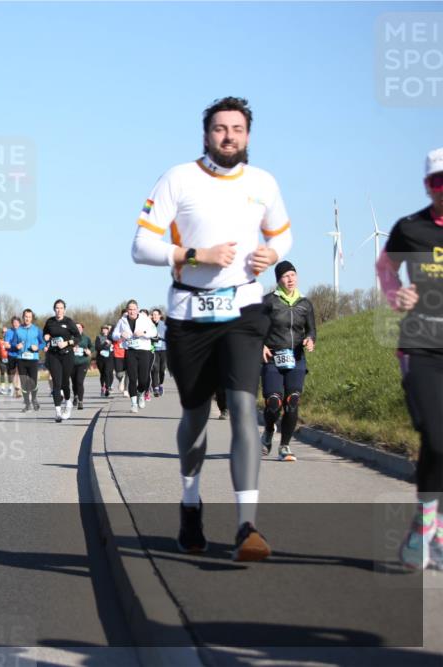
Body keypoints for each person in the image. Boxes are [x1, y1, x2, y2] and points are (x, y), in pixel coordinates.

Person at [131, 96, 291, 561]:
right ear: (207, 135)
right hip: (189, 314)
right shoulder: (178, 179)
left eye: (237, 129)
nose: (228, 137)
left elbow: (282, 233)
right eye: (220, 129)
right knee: (196, 416)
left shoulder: (264, 183)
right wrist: (195, 255)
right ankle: (189, 502)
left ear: (247, 135)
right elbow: (141, 245)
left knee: (243, 407)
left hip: (244, 307)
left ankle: (247, 526)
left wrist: (273, 253)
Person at [377, 147, 443, 571]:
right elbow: (384, 267)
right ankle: (424, 530)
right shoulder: (411, 228)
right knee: (436, 438)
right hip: (421, 345)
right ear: (427, 185)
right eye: (439, 182)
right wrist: (394, 294)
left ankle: (432, 533)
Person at [260, 260, 316, 462]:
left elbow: (311, 330)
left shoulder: (305, 303)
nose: (290, 279)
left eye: (293, 274)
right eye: (285, 276)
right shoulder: (268, 302)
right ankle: (267, 431)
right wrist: (261, 345)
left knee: (292, 401)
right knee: (274, 402)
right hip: (273, 358)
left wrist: (310, 340)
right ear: (278, 280)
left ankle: (284, 446)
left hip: (296, 358)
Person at [112, 300, 156, 413]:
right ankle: (133, 403)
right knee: (132, 378)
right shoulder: (122, 321)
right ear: (127, 310)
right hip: (130, 351)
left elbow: (154, 332)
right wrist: (121, 334)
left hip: (144, 351)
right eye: (129, 309)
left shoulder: (144, 319)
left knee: (144, 379)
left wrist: (144, 333)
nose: (132, 311)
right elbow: (114, 335)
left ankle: (141, 393)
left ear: (137, 309)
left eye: (134, 309)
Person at [43, 300, 81, 422]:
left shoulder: (69, 322)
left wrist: (67, 342)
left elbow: (78, 337)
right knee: (56, 383)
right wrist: (46, 337)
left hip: (67, 355)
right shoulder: (50, 321)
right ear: (54, 309)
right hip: (54, 355)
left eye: (61, 308)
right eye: (57, 308)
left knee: (65, 383)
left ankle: (68, 403)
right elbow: (45, 334)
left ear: (64, 309)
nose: (59, 310)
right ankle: (58, 412)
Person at [13, 308, 45, 412]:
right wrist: (16, 346)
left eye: (29, 317)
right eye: (26, 317)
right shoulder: (18, 330)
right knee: (23, 383)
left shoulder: (37, 330)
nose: (27, 319)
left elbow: (43, 343)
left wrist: (38, 347)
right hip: (21, 359)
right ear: (23, 317)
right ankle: (27, 404)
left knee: (33, 382)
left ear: (32, 318)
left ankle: (34, 399)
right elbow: (13, 343)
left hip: (33, 359)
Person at [71, 322, 93, 410]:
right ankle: (75, 396)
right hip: (72, 363)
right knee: (74, 382)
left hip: (83, 362)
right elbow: (65, 347)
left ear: (82, 328)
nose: (78, 328)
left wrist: (89, 351)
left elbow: (92, 347)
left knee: (79, 381)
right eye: (76, 327)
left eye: (79, 327)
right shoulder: (70, 338)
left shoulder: (86, 338)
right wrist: (71, 349)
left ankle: (80, 401)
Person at [3, 316, 23, 398]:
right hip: (11, 354)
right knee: (13, 373)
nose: (15, 324)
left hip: (21, 354)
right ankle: (16, 389)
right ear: (12, 323)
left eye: (17, 322)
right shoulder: (9, 332)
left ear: (19, 323)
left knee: (20, 371)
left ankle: (19, 389)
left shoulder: (23, 331)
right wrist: (14, 346)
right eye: (14, 322)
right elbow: (6, 345)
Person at [150, 309, 168, 397]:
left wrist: (161, 337)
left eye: (156, 314)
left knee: (162, 369)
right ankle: (155, 388)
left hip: (164, 349)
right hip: (154, 349)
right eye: (153, 315)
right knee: (155, 368)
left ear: (160, 316)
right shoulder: (149, 325)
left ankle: (160, 384)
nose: (154, 316)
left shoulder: (164, 325)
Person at [94, 324, 114, 398]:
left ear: (108, 330)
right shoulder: (98, 337)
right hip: (100, 358)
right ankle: (103, 387)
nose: (104, 330)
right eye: (103, 329)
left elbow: (115, 346)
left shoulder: (112, 337)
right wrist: (105, 343)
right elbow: (97, 347)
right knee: (102, 373)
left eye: (106, 329)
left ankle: (108, 388)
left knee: (107, 372)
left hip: (109, 358)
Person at [112, 309, 128, 395]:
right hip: (118, 352)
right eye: (124, 315)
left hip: (128, 352)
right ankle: (121, 379)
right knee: (118, 373)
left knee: (128, 372)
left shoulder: (132, 326)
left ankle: (126, 389)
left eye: (127, 315)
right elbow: (111, 337)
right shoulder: (116, 326)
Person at [0, 326, 10, 395]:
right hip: (1, 359)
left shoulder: (10, 340)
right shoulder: (0, 340)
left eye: (6, 332)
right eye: (3, 332)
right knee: (2, 374)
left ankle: (10, 388)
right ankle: (2, 389)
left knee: (9, 373)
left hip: (9, 358)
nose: (4, 333)